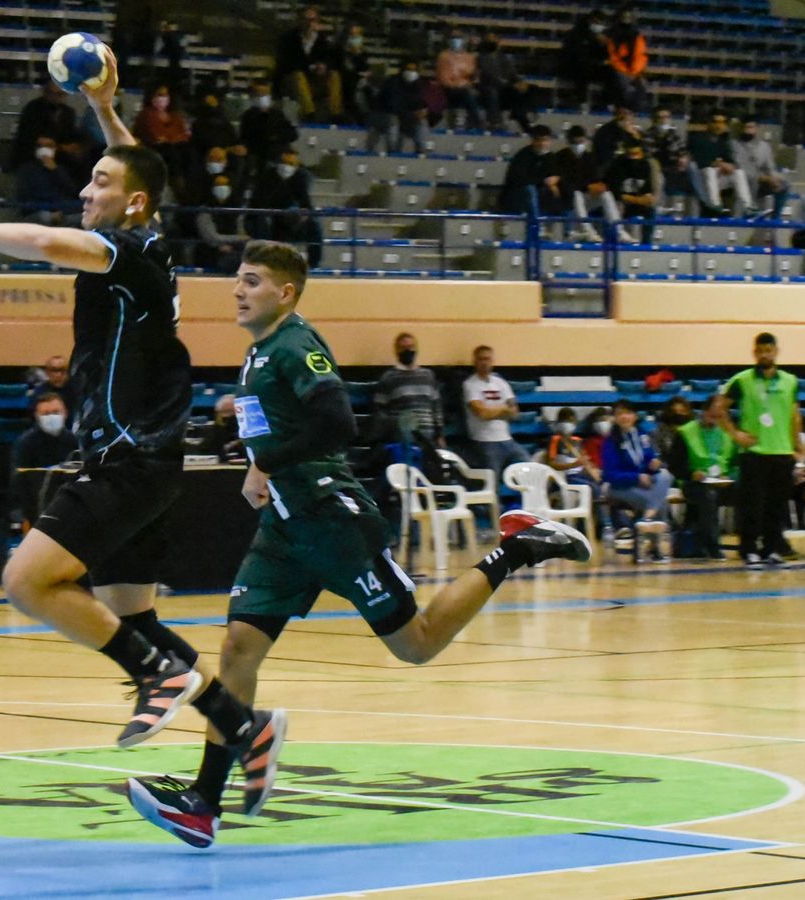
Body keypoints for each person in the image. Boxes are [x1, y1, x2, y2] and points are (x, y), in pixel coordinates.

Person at [124, 240, 592, 848]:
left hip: (331, 520)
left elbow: (337, 423)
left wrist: (271, 460)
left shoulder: (297, 345)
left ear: (285, 293)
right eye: (237, 279)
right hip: (284, 528)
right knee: (238, 648)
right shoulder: (258, 352)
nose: (238, 290)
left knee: (415, 644)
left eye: (252, 281)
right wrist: (260, 465)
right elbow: (280, 428)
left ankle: (519, 546)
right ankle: (203, 805)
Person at [0, 45, 282, 782]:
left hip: (128, 460)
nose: (86, 189)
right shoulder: (150, 237)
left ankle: (157, 678)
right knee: (131, 616)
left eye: (99, 182)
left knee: (25, 581)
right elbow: (138, 170)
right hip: (145, 458)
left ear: (131, 203)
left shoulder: (126, 251)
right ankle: (245, 727)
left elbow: (49, 241)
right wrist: (106, 108)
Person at [722, 332, 800, 569]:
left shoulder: (790, 381)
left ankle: (771, 549)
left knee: (776, 506)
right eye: (761, 351)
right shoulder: (741, 380)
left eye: (769, 350)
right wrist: (735, 434)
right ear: (755, 353)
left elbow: (794, 415)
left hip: (782, 452)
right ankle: (749, 550)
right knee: (752, 506)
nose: (765, 355)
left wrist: (797, 446)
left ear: (776, 352)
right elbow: (719, 409)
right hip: (754, 453)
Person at [668, 393, 739, 560]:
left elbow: (736, 462)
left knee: (749, 490)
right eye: (713, 415)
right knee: (708, 497)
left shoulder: (728, 432)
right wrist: (691, 474)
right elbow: (674, 465)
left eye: (720, 417)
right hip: (694, 483)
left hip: (722, 481)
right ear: (704, 412)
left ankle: (750, 544)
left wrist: (729, 475)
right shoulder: (685, 432)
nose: (716, 420)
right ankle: (712, 546)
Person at [601, 400, 674, 559]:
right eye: (620, 414)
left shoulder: (641, 435)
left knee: (665, 476)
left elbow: (649, 459)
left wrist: (653, 464)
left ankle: (647, 518)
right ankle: (655, 545)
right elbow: (609, 475)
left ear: (634, 416)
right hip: (619, 487)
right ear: (614, 418)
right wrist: (636, 477)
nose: (624, 417)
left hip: (644, 483)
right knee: (659, 500)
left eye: (628, 413)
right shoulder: (611, 441)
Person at [8, 392, 78, 527]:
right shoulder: (25, 444)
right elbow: (19, 484)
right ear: (37, 416)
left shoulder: (75, 441)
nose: (51, 417)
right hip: (35, 506)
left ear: (65, 413)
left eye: (56, 412)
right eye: (46, 414)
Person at [463, 345, 528, 479]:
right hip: (485, 441)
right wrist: (503, 409)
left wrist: (492, 411)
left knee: (529, 468)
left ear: (492, 361)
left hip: (507, 439)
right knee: (492, 481)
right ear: (475, 362)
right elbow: (482, 414)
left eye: (487, 359)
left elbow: (514, 412)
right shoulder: (470, 385)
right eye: (481, 359)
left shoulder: (501, 383)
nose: (484, 363)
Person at [248, 148, 321, 266]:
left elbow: (306, 204)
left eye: (291, 164)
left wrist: (305, 215)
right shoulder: (267, 176)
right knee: (263, 220)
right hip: (266, 217)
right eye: (284, 162)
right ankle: (265, 260)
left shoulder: (300, 177)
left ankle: (313, 264)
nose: (287, 167)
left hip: (289, 219)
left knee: (313, 224)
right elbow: (257, 203)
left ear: (296, 165)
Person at [373, 332, 444, 445]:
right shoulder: (389, 377)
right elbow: (380, 409)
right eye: (403, 348)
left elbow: (436, 406)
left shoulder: (428, 375)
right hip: (402, 439)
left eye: (411, 347)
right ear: (396, 351)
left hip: (428, 439)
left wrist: (439, 434)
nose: (408, 351)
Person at [274, 6, 342, 123]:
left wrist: (324, 66)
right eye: (306, 19)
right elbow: (287, 63)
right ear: (299, 20)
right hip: (292, 80)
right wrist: (311, 67)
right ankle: (309, 113)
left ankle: (335, 113)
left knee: (334, 75)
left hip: (314, 80)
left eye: (312, 20)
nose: (309, 23)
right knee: (298, 76)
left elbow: (332, 59)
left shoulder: (322, 40)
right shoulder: (288, 38)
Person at [131, 84, 193, 196]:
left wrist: (169, 138)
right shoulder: (145, 114)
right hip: (153, 148)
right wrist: (172, 137)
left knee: (188, 151)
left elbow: (183, 135)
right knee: (170, 151)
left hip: (175, 147)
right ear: (152, 96)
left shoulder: (174, 115)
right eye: (159, 94)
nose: (163, 98)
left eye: (165, 95)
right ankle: (177, 182)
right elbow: (154, 136)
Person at [688, 110, 751, 217]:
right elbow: (700, 162)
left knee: (739, 172)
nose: (718, 125)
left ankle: (748, 207)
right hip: (700, 178)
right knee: (709, 170)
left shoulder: (723, 141)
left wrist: (730, 166)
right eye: (716, 122)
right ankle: (715, 204)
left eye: (722, 122)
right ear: (709, 123)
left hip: (716, 179)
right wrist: (719, 164)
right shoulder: (697, 139)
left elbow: (730, 161)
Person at [9, 80, 80, 172]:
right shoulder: (33, 108)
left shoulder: (68, 112)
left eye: (59, 94)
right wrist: (42, 141)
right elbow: (26, 134)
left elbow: (70, 135)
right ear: (45, 92)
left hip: (58, 154)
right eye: (51, 93)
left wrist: (71, 145)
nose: (55, 97)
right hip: (32, 153)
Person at [14, 135, 82, 225]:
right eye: (40, 146)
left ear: (55, 148)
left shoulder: (63, 168)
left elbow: (72, 191)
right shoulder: (26, 169)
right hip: (37, 211)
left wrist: (55, 170)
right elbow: (24, 196)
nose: (44, 149)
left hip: (63, 211)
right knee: (46, 217)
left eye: (48, 146)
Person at [367, 60, 429, 155]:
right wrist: (413, 114)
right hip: (382, 115)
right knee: (393, 121)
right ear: (402, 70)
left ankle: (421, 152)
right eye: (408, 69)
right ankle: (392, 152)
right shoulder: (393, 83)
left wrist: (422, 111)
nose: (411, 72)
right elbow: (393, 107)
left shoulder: (417, 86)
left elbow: (419, 104)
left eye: (414, 70)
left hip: (404, 117)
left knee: (422, 122)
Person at [238, 80, 299, 176]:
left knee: (303, 174)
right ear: (253, 96)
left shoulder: (277, 114)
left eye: (264, 93)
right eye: (258, 93)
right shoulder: (248, 116)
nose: (261, 96)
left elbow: (293, 134)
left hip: (281, 153)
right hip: (261, 156)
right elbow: (248, 139)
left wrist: (276, 136)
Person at [732, 117, 789, 219]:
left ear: (756, 128)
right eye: (745, 127)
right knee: (751, 179)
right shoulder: (734, 145)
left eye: (751, 127)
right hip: (744, 180)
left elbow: (770, 167)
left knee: (784, 183)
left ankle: (776, 217)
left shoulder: (764, 146)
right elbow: (740, 168)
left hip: (763, 181)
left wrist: (773, 178)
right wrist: (762, 177)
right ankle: (749, 211)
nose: (748, 130)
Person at [500, 125, 564, 215]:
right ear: (533, 140)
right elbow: (521, 180)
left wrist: (556, 179)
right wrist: (544, 181)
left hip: (540, 192)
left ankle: (562, 220)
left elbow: (557, 173)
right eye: (539, 140)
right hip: (518, 194)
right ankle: (535, 219)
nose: (542, 143)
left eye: (545, 140)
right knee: (530, 189)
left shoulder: (551, 157)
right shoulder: (523, 156)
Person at [192, 175, 251, 273]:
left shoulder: (234, 210)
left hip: (233, 250)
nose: (222, 188)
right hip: (211, 251)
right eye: (218, 184)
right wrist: (223, 245)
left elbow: (241, 233)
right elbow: (213, 238)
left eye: (225, 184)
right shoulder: (205, 211)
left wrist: (238, 241)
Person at [602, 5, 648, 112]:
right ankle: (618, 108)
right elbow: (612, 55)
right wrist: (624, 71)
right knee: (620, 82)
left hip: (633, 70)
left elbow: (640, 55)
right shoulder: (610, 34)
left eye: (628, 17)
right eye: (623, 17)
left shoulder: (636, 36)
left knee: (640, 86)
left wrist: (634, 71)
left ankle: (633, 111)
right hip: (615, 69)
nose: (626, 20)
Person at [435, 31, 482, 129]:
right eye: (454, 37)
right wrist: (457, 85)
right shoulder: (444, 56)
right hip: (449, 88)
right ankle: (476, 123)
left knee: (470, 93)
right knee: (467, 93)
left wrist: (471, 80)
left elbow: (473, 75)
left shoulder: (469, 57)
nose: (457, 40)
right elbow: (443, 78)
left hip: (466, 87)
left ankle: (470, 123)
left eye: (459, 37)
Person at [547, 407, 600, 485]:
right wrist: (572, 465)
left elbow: (585, 461)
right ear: (559, 423)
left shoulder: (578, 440)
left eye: (571, 421)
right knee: (591, 486)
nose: (568, 423)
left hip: (580, 475)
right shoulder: (555, 440)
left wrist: (592, 468)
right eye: (565, 421)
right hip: (565, 477)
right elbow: (551, 464)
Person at [198, 395, 244, 463]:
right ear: (218, 414)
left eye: (235, 412)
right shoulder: (211, 434)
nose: (230, 415)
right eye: (227, 411)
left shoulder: (248, 434)